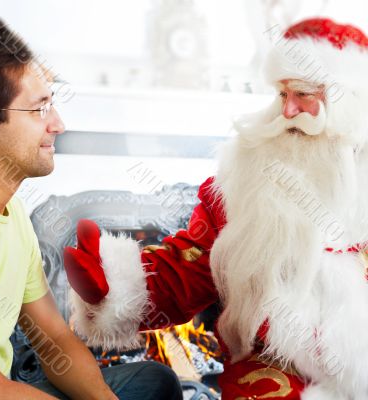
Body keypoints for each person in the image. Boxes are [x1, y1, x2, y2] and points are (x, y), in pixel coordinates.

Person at [64, 18, 368, 399]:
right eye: (281, 95)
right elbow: (189, 267)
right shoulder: (244, 184)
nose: (288, 111)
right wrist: (111, 286)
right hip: (273, 369)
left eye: (303, 94)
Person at [0, 18, 182, 400]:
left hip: (2, 386)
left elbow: (54, 339)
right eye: (38, 110)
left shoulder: (11, 212)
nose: (59, 125)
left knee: (155, 381)